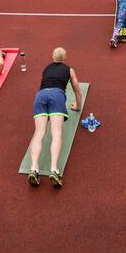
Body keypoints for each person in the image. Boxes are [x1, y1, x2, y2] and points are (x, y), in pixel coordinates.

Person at [26, 47, 84, 187]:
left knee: (39, 133)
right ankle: (53, 169)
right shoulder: (69, 70)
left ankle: (33, 169)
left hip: (40, 95)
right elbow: (77, 90)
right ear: (65, 58)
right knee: (56, 133)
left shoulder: (46, 68)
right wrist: (77, 106)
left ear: (52, 57)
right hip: (57, 95)